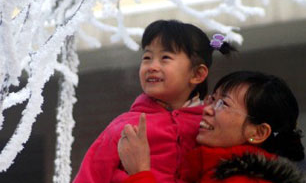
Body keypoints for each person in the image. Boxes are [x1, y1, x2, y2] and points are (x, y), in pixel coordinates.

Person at [73, 19, 235, 183]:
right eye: (147, 57)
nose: (152, 66)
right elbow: (89, 176)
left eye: (165, 57)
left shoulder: (209, 126)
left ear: (197, 74)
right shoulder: (127, 126)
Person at [118, 71, 305, 183]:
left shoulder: (243, 180)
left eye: (223, 104)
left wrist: (140, 172)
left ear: (258, 132)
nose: (207, 109)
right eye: (212, 99)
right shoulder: (208, 170)